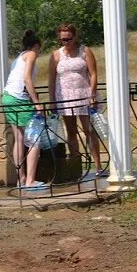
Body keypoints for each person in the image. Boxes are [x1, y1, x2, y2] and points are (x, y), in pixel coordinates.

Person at [47, 23, 104, 177]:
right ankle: (75, 164)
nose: (66, 42)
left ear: (75, 36)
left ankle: (98, 165)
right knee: (71, 131)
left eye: (69, 38)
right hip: (64, 96)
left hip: (84, 95)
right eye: (63, 39)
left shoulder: (85, 51)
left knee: (89, 130)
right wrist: (52, 100)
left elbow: (93, 74)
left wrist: (92, 94)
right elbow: (51, 79)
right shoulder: (56, 55)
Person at [2, 30, 46, 190]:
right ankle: (30, 180)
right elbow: (27, 78)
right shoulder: (31, 54)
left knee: (19, 139)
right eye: (39, 49)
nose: (39, 53)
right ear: (35, 46)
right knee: (34, 139)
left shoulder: (18, 57)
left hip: (8, 97)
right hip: (20, 98)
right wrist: (36, 103)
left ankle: (21, 178)